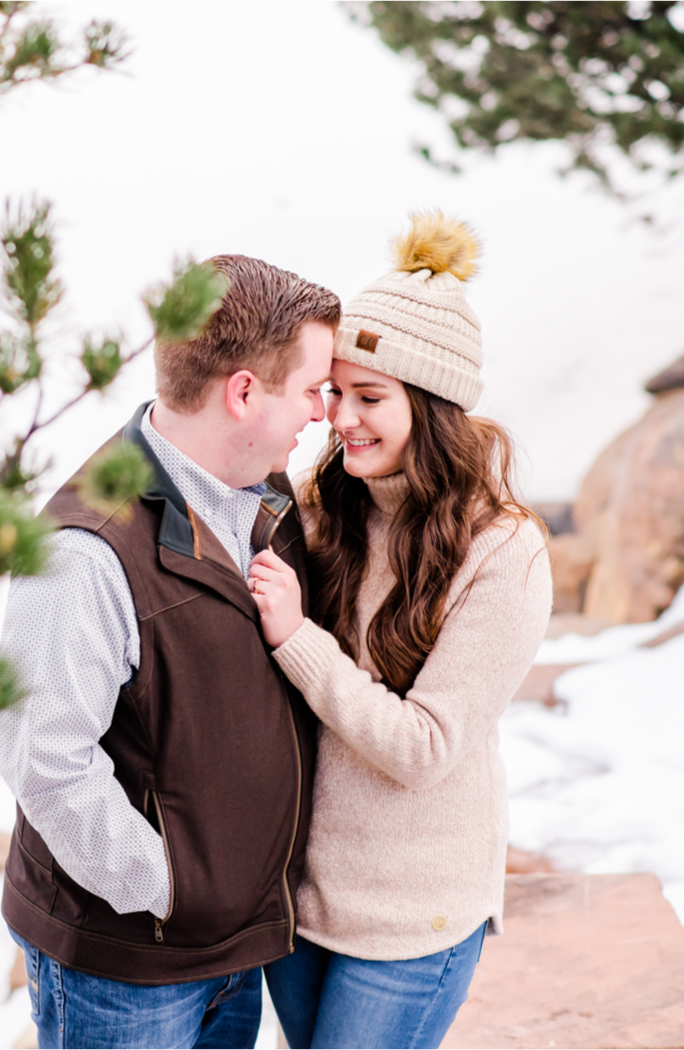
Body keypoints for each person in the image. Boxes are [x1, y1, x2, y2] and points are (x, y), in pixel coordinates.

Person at [0, 255, 341, 1049]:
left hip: (231, 950)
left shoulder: (266, 498)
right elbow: (43, 758)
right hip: (129, 971)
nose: (323, 411)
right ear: (244, 392)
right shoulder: (84, 554)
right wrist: (173, 887)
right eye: (312, 387)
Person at [246, 213, 553, 1050]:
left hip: (417, 915)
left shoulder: (504, 551)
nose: (341, 417)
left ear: (434, 405)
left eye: (370, 398)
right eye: (336, 392)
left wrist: (297, 639)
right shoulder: (330, 508)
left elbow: (425, 747)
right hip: (304, 896)